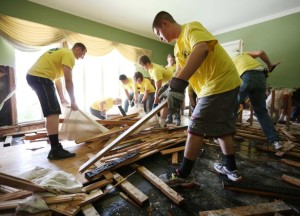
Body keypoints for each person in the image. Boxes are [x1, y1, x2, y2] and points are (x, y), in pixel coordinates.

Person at [152, 11, 242, 186]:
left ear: (165, 23)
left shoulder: (191, 28)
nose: (160, 39)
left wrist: (178, 84)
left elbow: (202, 49)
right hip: (221, 85)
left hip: (219, 82)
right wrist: (169, 87)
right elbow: (179, 71)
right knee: (222, 129)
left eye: (158, 34)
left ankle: (182, 174)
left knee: (195, 126)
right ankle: (231, 169)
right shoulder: (177, 48)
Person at [26, 42, 87, 160]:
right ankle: (55, 150)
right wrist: (73, 101)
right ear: (78, 49)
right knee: (53, 111)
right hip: (40, 77)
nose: (82, 57)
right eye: (83, 54)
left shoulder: (61, 52)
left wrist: (62, 98)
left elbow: (57, 81)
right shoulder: (69, 55)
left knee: (52, 110)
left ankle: (55, 147)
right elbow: (68, 81)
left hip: (39, 77)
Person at [232, 50, 282, 149]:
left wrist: (238, 100)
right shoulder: (245, 55)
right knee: (261, 111)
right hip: (261, 76)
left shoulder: (231, 61)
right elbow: (260, 52)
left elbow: (236, 82)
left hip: (246, 76)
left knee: (231, 109)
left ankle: (224, 136)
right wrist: (270, 64)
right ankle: (276, 141)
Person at [138, 55, 173, 127]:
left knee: (164, 103)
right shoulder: (150, 68)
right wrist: (156, 98)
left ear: (147, 63)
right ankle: (160, 121)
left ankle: (162, 123)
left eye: (143, 66)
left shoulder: (155, 70)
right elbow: (155, 81)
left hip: (172, 82)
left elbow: (158, 87)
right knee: (159, 101)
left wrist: (156, 98)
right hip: (165, 83)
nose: (142, 68)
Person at [165, 53, 181, 126]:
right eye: (171, 60)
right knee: (169, 103)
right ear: (167, 60)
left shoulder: (177, 66)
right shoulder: (165, 68)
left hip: (177, 87)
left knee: (177, 103)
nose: (172, 62)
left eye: (173, 60)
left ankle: (177, 118)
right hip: (169, 88)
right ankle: (169, 118)